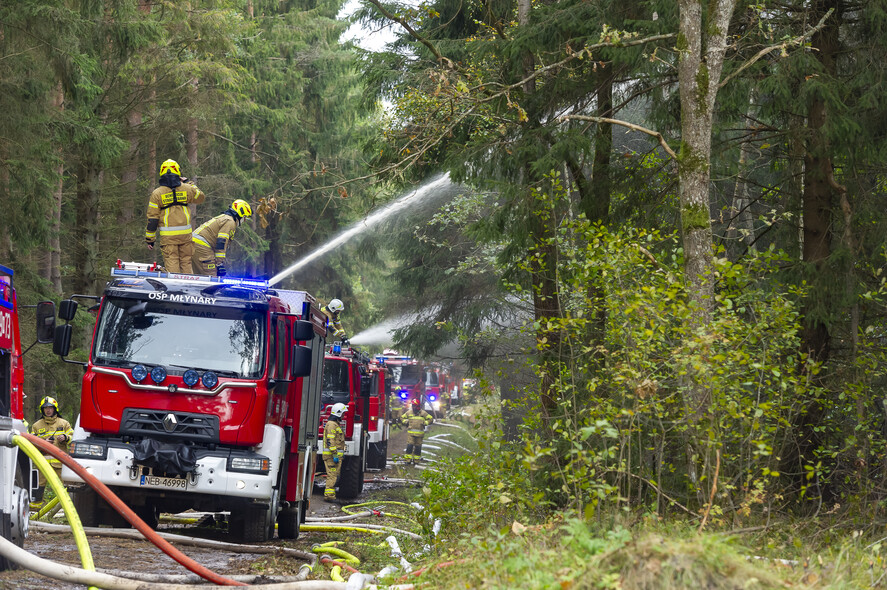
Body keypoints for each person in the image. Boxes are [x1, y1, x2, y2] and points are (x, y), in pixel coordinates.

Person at [145, 159, 206, 273]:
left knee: (172, 264)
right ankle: (188, 289)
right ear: (178, 173)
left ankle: (175, 289)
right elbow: (201, 197)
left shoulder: (157, 193)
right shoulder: (187, 189)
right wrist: (190, 183)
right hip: (185, 236)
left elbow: (152, 218)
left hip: (168, 238)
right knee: (186, 263)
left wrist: (150, 239)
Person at [28, 396, 73, 509]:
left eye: (50, 408)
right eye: (45, 408)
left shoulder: (64, 423)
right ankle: (35, 510)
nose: (48, 410)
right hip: (42, 463)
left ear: (55, 409)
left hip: (60, 463)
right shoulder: (36, 426)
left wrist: (66, 437)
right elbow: (30, 443)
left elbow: (74, 438)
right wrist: (43, 442)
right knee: (39, 486)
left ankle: (65, 509)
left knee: (63, 487)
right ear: (42, 410)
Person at [191, 199, 252, 276]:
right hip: (202, 247)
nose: (245, 220)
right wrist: (219, 264)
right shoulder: (230, 222)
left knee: (199, 276)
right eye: (244, 217)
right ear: (240, 214)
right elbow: (221, 242)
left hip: (194, 245)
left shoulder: (225, 217)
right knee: (211, 276)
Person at [322, 403, 347, 501]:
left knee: (334, 476)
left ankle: (330, 496)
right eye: (343, 414)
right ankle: (329, 496)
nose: (344, 416)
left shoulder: (335, 424)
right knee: (332, 476)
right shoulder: (332, 425)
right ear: (338, 413)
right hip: (331, 456)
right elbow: (330, 441)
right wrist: (335, 454)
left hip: (334, 456)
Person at [401, 398, 433, 464]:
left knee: (418, 447)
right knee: (409, 446)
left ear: (418, 406)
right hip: (411, 434)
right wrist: (405, 422)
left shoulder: (423, 413)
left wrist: (426, 423)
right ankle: (408, 460)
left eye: (414, 406)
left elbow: (430, 418)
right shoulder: (409, 412)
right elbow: (402, 417)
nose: (413, 407)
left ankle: (416, 460)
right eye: (413, 406)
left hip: (420, 434)